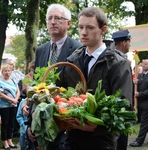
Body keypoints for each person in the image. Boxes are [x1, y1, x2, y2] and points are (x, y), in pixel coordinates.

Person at [48, 6, 133, 150]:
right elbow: (57, 90)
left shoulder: (118, 63)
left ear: (103, 29)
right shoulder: (72, 61)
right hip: (72, 139)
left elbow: (125, 107)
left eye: (90, 27)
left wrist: (96, 128)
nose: (83, 32)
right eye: (81, 27)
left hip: (102, 142)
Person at [22, 3, 82, 149]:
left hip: (64, 124)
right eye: (50, 18)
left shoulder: (78, 49)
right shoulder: (41, 50)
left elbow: (79, 90)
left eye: (58, 18)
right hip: (41, 123)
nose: (53, 22)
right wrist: (31, 122)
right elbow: (36, 88)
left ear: (69, 23)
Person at [112, 29, 132, 150]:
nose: (130, 45)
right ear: (124, 43)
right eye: (129, 42)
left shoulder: (119, 58)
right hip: (119, 113)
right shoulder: (117, 60)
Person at [0, 64, 20, 149]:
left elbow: (18, 91)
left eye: (8, 71)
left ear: (11, 72)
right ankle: (5, 142)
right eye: (5, 71)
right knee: (5, 123)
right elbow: (1, 95)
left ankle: (10, 140)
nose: (7, 72)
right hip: (4, 106)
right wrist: (12, 100)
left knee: (11, 123)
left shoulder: (14, 81)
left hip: (13, 105)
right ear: (2, 72)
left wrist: (15, 100)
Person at [129, 59, 148, 147]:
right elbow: (137, 87)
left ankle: (139, 141)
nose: (143, 65)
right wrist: (135, 82)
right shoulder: (140, 76)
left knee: (144, 123)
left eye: (145, 64)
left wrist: (140, 94)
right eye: (143, 64)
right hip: (140, 104)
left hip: (147, 104)